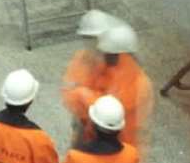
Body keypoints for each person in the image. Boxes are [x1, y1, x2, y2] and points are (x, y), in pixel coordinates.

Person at [64, 20, 153, 155]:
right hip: (97, 134)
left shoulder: (137, 83)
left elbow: (111, 108)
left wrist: (82, 94)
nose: (103, 55)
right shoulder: (111, 67)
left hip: (119, 145)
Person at [61, 9, 117, 142]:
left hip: (107, 129)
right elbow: (68, 94)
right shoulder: (81, 58)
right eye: (90, 39)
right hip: (84, 124)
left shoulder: (116, 63)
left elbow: (117, 104)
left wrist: (83, 94)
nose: (94, 44)